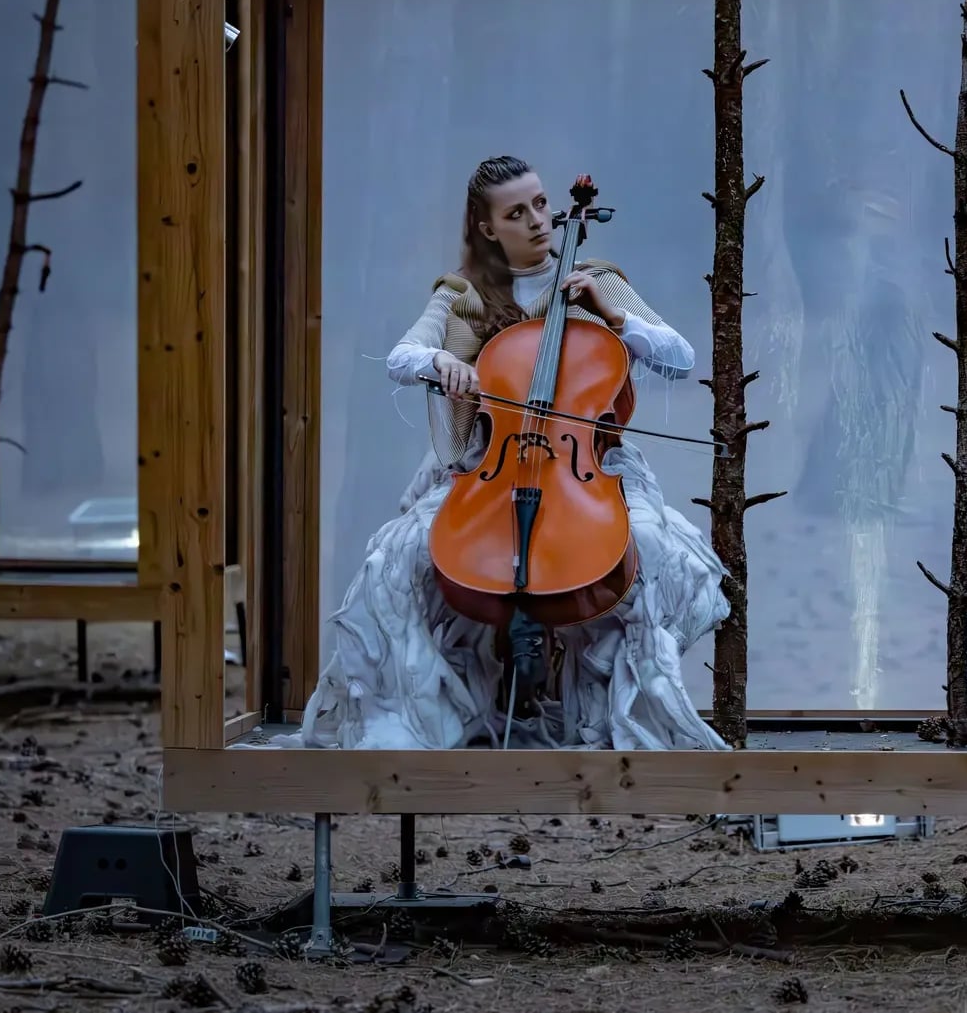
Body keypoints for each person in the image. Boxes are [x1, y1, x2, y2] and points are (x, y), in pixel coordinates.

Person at [269, 155, 730, 753]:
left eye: (540, 204)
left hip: (586, 468)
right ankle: (432, 717)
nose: (537, 220)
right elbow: (401, 357)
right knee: (396, 560)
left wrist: (614, 314)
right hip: (488, 467)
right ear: (488, 228)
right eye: (516, 213)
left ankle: (612, 718)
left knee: (648, 546)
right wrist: (442, 361)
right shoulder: (462, 294)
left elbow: (679, 359)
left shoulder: (592, 280)